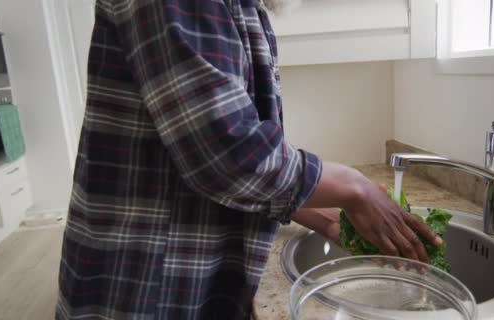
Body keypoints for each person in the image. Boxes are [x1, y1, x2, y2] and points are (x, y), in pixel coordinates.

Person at [56, 0, 442, 319]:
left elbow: (216, 143)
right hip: (146, 282)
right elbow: (226, 154)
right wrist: (353, 187)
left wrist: (317, 211)